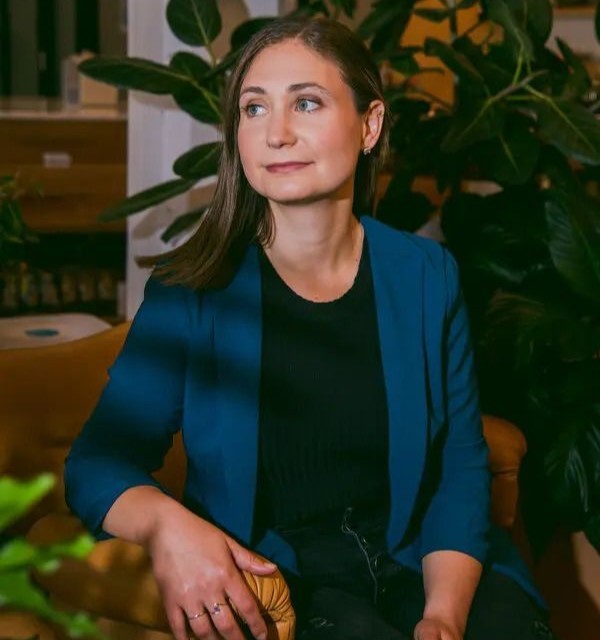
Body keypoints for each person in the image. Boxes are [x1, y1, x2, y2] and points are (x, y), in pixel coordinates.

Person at [64, 15, 558, 640]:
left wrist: (443, 616)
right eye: (254, 108)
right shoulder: (193, 289)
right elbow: (96, 464)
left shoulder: (427, 275)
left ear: (370, 125)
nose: (276, 133)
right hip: (287, 576)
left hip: (426, 558)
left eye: (306, 102)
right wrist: (168, 527)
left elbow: (458, 465)